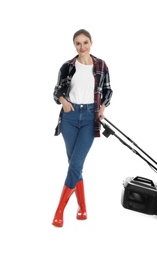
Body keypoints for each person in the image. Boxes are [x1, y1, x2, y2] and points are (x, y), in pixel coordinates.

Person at [52, 29, 113, 227]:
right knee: (74, 164)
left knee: (76, 163)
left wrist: (102, 108)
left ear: (91, 43)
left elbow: (108, 90)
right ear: (74, 46)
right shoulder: (67, 67)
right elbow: (57, 91)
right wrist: (63, 101)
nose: (82, 46)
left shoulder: (101, 65)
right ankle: (82, 207)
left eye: (85, 42)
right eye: (78, 43)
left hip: (89, 118)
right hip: (69, 117)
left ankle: (59, 210)